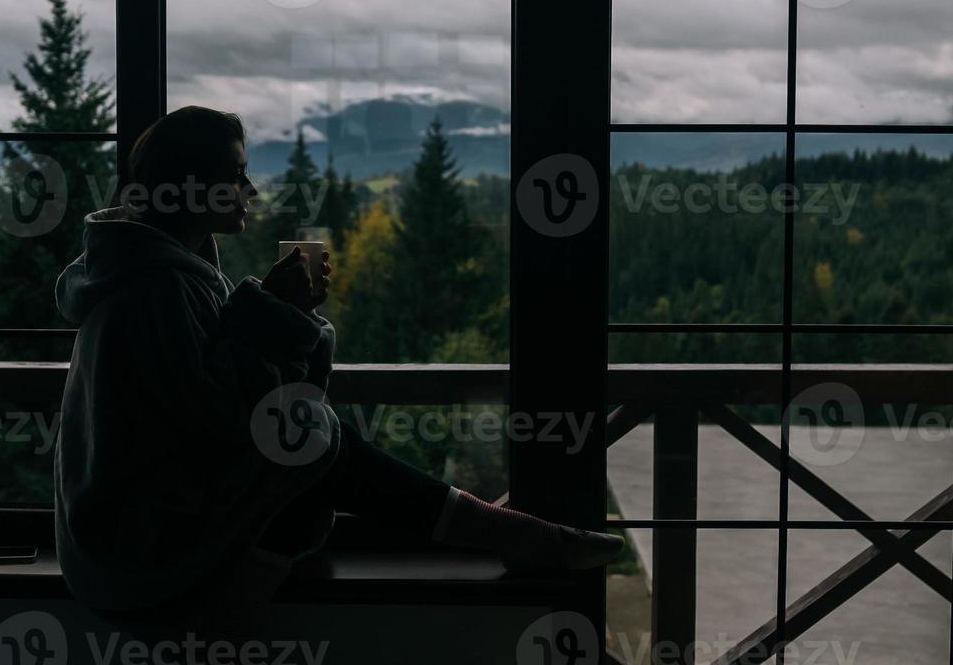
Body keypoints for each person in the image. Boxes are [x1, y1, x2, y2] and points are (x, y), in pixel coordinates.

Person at [53, 106, 621, 634]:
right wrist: (272, 313)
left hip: (142, 527)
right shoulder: (155, 290)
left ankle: (503, 532)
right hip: (137, 547)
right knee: (318, 445)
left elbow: (247, 401)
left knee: (317, 441)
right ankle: (508, 533)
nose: (250, 190)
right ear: (189, 185)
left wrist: (287, 316)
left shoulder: (170, 276)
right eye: (236, 175)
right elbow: (220, 420)